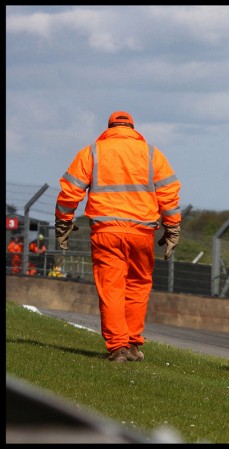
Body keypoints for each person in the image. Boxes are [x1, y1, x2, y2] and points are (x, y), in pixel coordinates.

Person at [54, 110, 182, 363]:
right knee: (137, 285)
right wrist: (172, 228)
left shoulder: (92, 152)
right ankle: (133, 344)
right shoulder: (152, 154)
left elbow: (70, 191)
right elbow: (169, 194)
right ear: (133, 128)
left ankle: (118, 347)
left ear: (109, 127)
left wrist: (63, 223)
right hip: (142, 232)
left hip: (106, 231)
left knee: (111, 288)